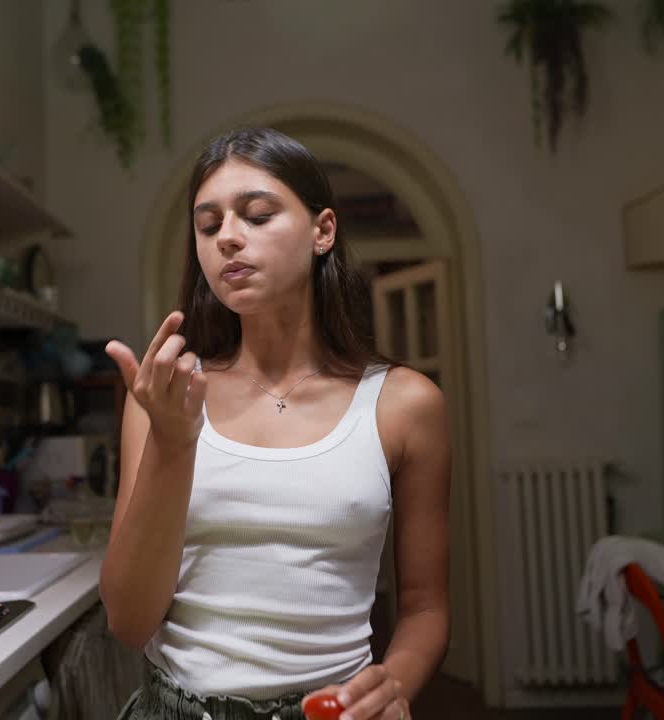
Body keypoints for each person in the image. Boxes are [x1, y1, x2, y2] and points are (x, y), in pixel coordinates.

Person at [102, 126, 451, 720]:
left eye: (257, 215)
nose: (228, 238)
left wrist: (393, 684)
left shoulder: (403, 404)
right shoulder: (165, 400)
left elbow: (424, 606)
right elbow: (130, 621)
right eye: (208, 226)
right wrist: (173, 441)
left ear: (323, 232)